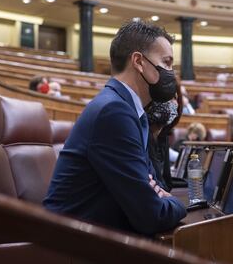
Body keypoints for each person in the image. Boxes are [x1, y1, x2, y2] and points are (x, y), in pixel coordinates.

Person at [43, 20, 186, 236]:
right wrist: (179, 204)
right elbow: (151, 214)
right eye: (166, 63)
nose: (171, 72)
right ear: (138, 61)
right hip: (71, 248)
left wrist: (158, 195)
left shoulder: (128, 109)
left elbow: (154, 186)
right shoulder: (114, 112)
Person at [146, 95, 181, 191]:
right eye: (171, 97)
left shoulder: (163, 137)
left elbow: (166, 182)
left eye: (176, 99)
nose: (175, 104)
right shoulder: (145, 135)